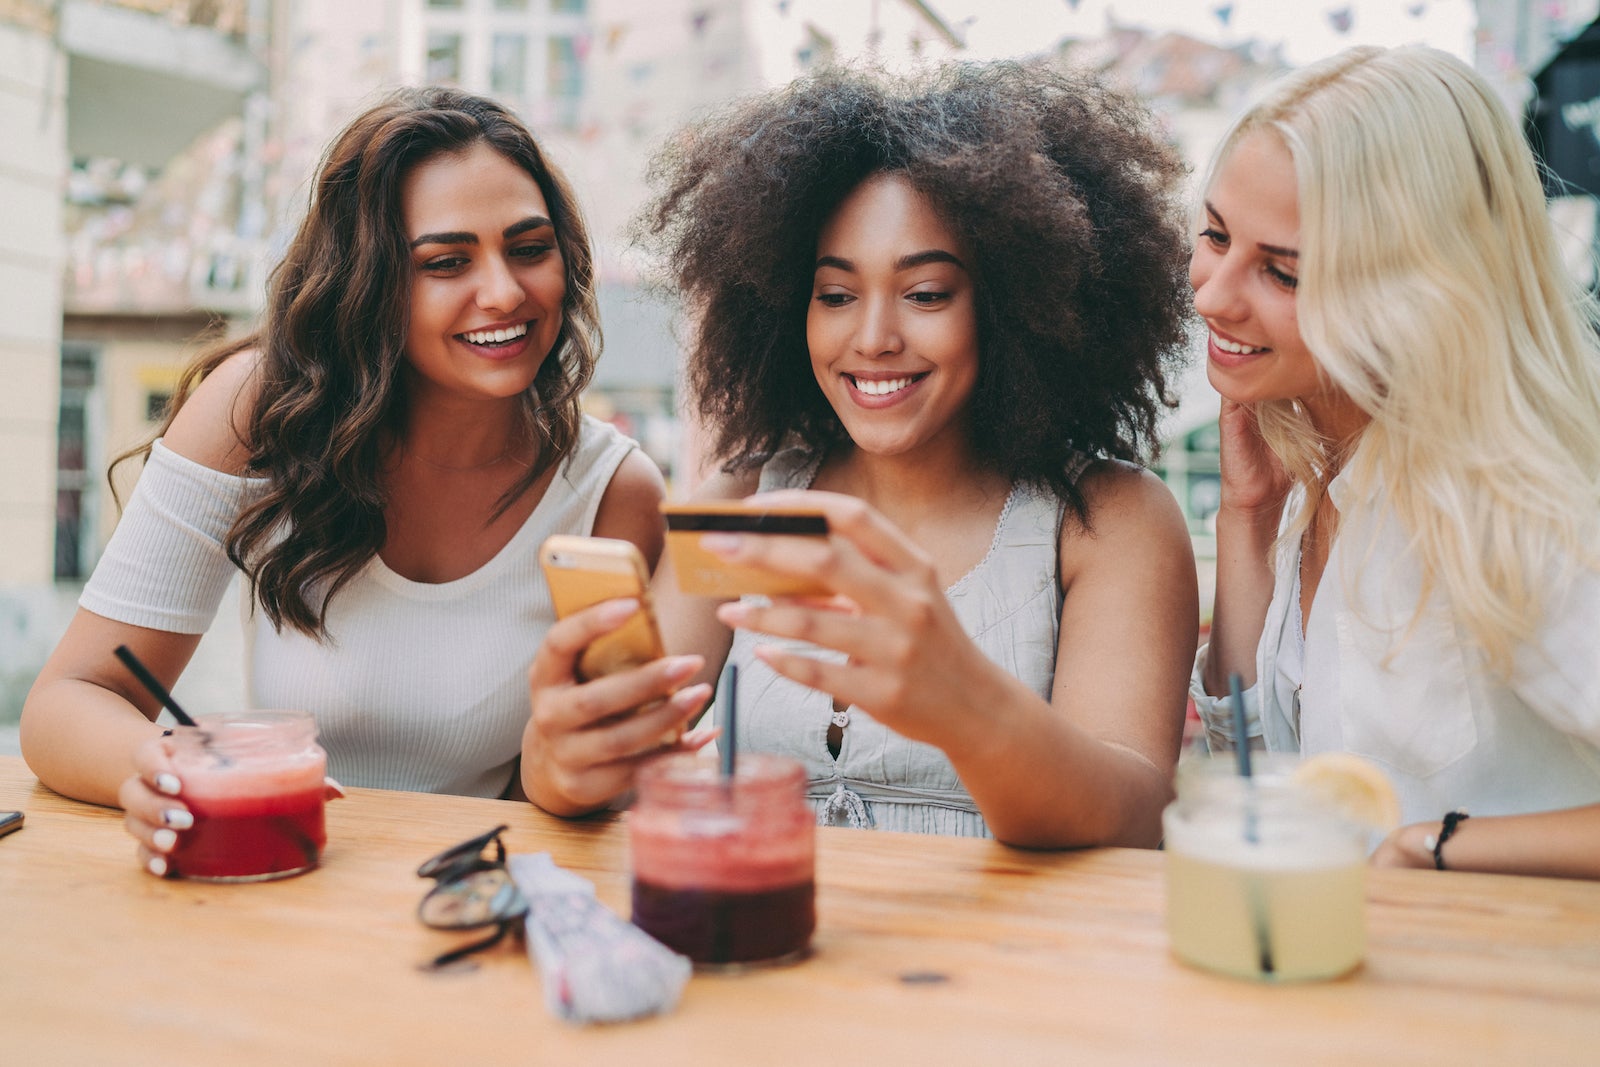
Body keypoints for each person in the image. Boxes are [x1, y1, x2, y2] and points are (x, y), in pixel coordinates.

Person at [523, 62, 1199, 849]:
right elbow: (603, 758)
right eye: (836, 295)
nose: (872, 338)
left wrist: (964, 700)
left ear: (1012, 307)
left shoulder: (1108, 521)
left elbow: (1137, 816)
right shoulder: (748, 498)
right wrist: (559, 762)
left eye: (926, 294)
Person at [20, 87, 665, 874]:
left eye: (529, 248)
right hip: (269, 882)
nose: (503, 291)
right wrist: (163, 767)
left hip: (472, 901)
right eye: (446, 262)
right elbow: (64, 704)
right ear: (370, 281)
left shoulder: (614, 491)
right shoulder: (255, 411)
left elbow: (591, 788)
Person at [1190, 45, 1600, 879]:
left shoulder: (1502, 498)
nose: (1212, 294)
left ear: (1411, 287)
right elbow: (1260, 766)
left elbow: (1396, 842)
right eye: (1215, 235)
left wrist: (1437, 845)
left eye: (1282, 272)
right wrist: (1246, 517)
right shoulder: (1315, 472)